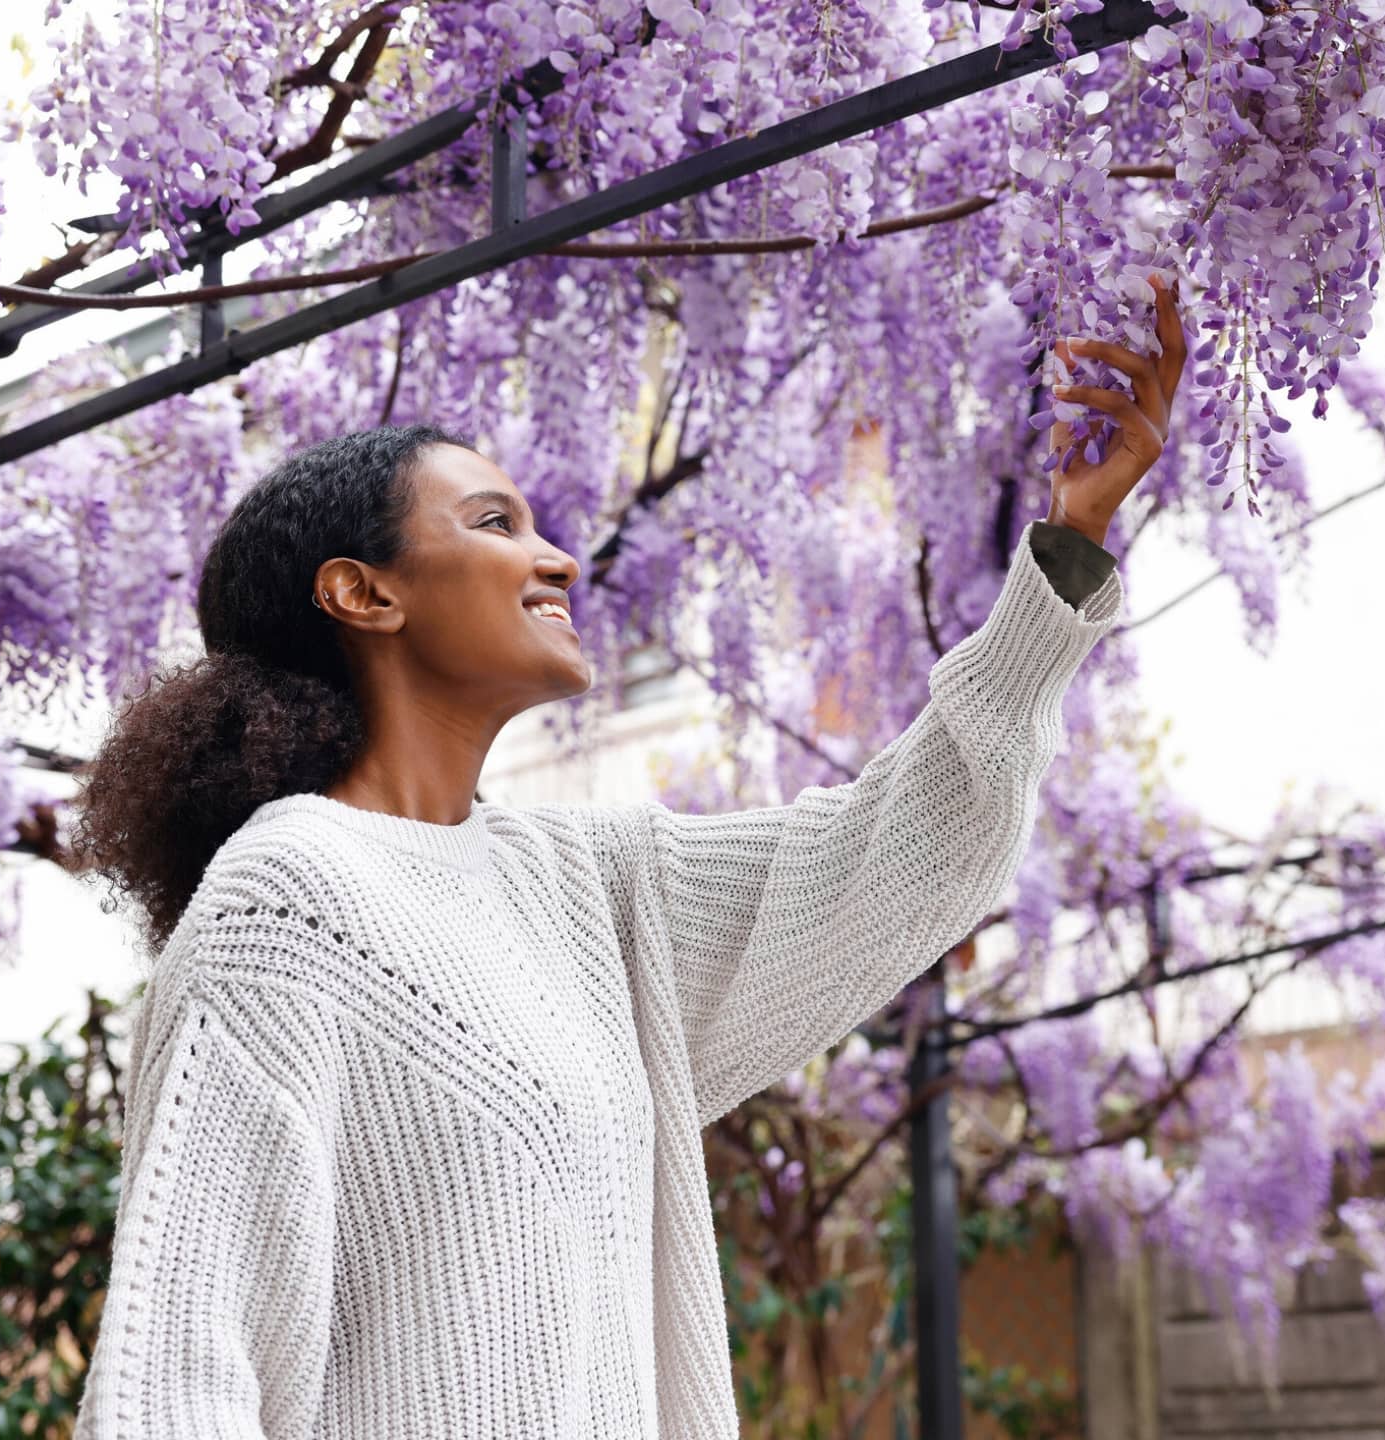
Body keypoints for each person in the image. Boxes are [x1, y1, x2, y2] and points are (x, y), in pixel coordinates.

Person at [67, 276, 1185, 1439]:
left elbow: (903, 852)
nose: (556, 560)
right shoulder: (286, 898)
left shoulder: (590, 887)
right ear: (363, 592)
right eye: (496, 523)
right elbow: (179, 1371)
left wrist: (1066, 546)